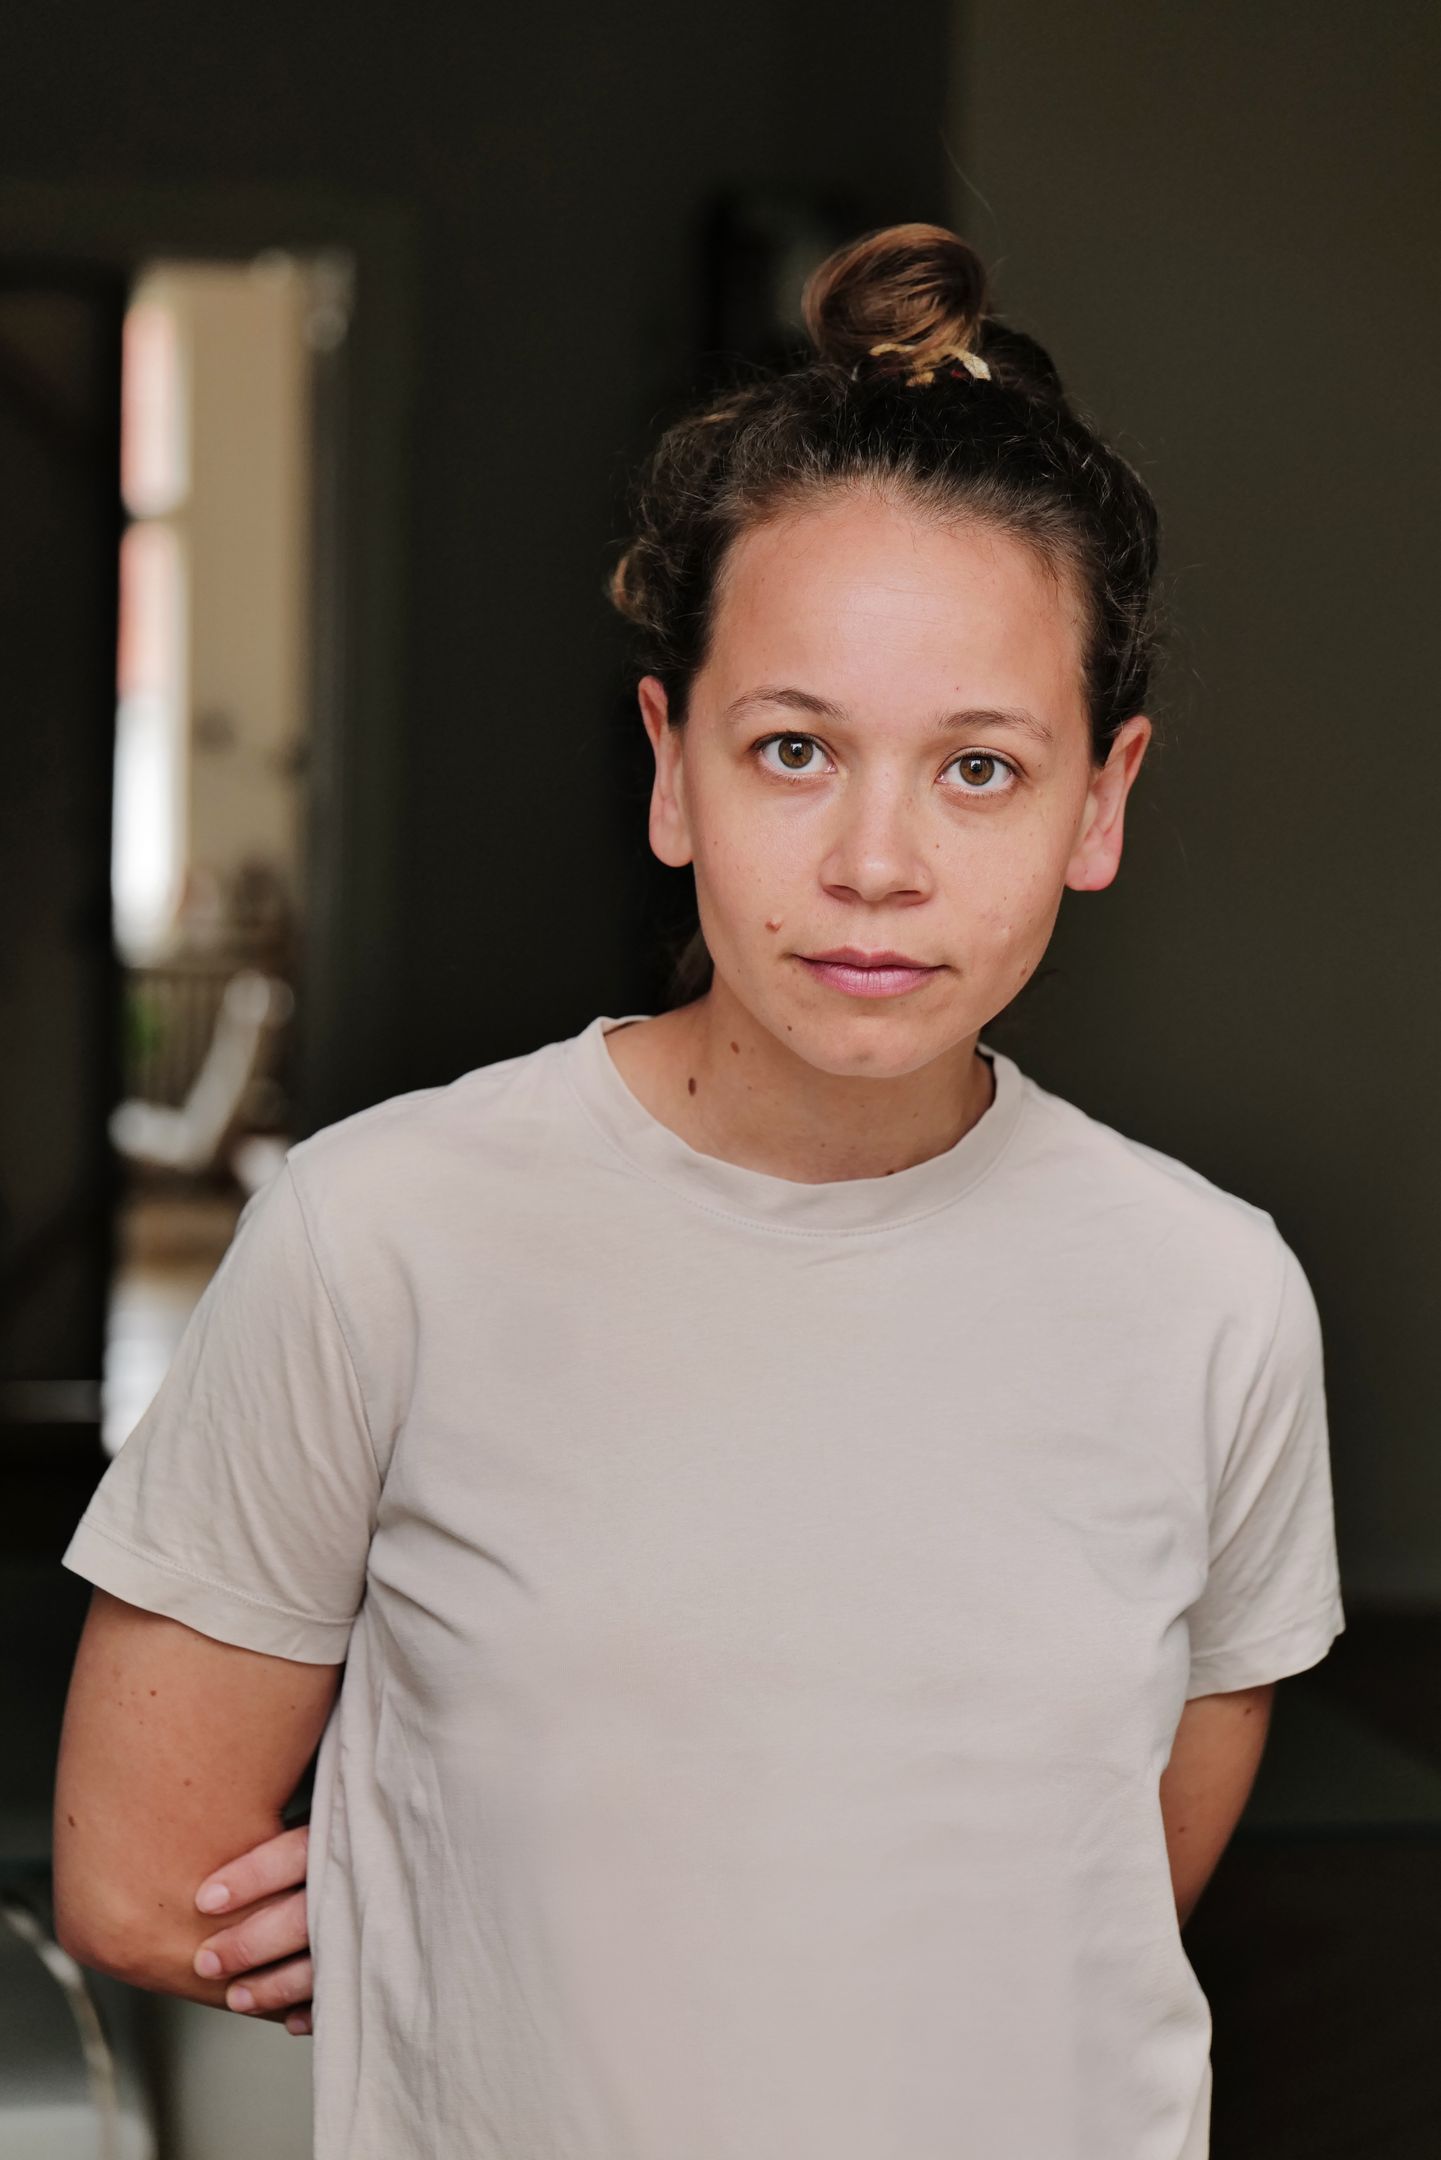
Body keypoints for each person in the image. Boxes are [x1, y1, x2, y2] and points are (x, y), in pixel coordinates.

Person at [53, 222, 1344, 2160]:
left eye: (979, 770)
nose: (875, 863)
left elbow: (1091, 1885)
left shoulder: (1210, 1296)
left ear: (1101, 798)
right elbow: (141, 1876)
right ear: (672, 769)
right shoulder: (385, 1232)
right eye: (793, 749)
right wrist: (477, 1922)